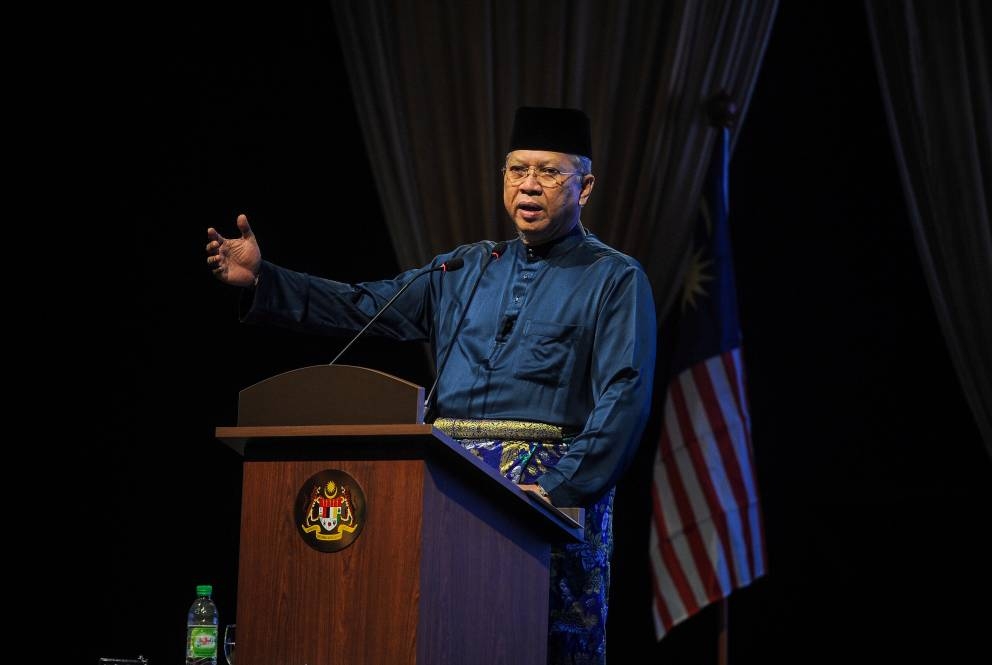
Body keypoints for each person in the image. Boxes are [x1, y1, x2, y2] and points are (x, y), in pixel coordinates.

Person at [206, 106, 656, 664]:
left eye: (548, 172)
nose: (529, 186)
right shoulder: (462, 269)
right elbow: (363, 305)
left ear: (584, 187)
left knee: (536, 643)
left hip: (543, 498)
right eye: (517, 171)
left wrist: (559, 491)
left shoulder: (614, 278)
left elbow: (624, 395)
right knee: (438, 633)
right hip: (443, 489)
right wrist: (266, 279)